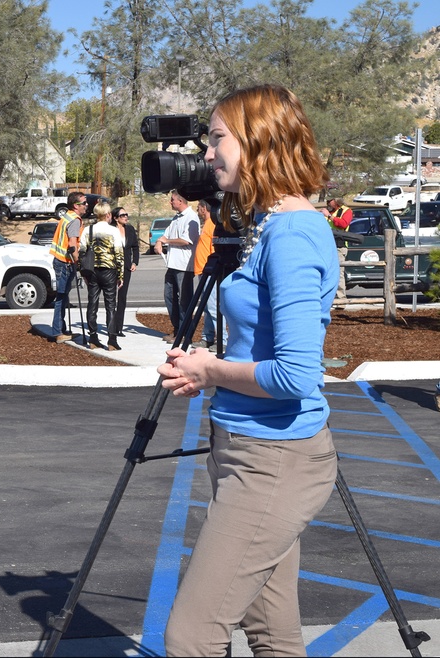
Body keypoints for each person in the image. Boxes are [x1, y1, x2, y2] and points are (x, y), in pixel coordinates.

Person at [157, 84, 338, 656]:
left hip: (275, 459)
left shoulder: (291, 233)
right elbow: (256, 351)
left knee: (191, 636)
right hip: (242, 446)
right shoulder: (266, 226)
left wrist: (210, 370)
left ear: (260, 141)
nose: (206, 155)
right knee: (272, 633)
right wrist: (207, 370)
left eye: (217, 139)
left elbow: (295, 374)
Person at [155, 190, 200, 341]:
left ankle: (184, 333)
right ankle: (176, 329)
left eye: (172, 200)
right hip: (172, 264)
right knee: (169, 296)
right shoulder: (176, 218)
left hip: (184, 266)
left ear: (180, 201)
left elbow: (187, 240)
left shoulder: (191, 218)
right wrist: (160, 241)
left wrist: (166, 241)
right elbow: (165, 235)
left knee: (184, 300)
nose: (170, 202)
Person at [78, 201, 124, 350]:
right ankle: (112, 340)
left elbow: (82, 252)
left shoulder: (87, 230)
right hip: (109, 270)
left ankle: (93, 337)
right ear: (108, 215)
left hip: (92, 270)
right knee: (111, 305)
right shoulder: (113, 231)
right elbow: (119, 253)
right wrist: (120, 275)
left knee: (92, 304)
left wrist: (83, 272)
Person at [191, 197, 227, 351]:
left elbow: (215, 248)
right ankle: (207, 337)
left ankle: (222, 340)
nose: (197, 209)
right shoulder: (206, 224)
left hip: (210, 271)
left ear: (204, 208)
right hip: (202, 271)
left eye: (199, 206)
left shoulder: (212, 224)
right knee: (206, 307)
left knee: (213, 307)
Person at [49, 191, 84, 343]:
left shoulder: (67, 216)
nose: (86, 205)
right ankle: (58, 332)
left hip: (60, 260)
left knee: (62, 298)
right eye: (84, 203)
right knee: (61, 297)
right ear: (76, 205)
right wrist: (78, 262)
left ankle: (61, 329)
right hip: (65, 262)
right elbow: (72, 244)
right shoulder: (75, 220)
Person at [108, 207, 139, 338]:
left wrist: (134, 262)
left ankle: (118, 328)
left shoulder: (130, 229)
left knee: (122, 297)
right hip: (111, 267)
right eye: (122, 215)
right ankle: (111, 327)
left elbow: (135, 247)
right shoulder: (110, 230)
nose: (126, 217)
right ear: (115, 218)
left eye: (126, 215)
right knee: (110, 298)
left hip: (126, 267)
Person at [324, 197, 353, 300]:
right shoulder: (331, 211)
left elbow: (343, 224)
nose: (328, 202)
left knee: (338, 272)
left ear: (336, 201)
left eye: (330, 200)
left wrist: (329, 216)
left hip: (339, 245)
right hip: (327, 245)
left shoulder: (346, 211)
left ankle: (341, 299)